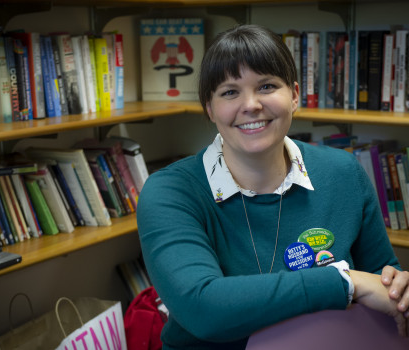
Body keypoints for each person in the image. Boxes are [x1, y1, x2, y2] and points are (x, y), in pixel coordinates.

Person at [136, 24, 409, 349]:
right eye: (229, 92)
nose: (250, 104)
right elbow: (202, 308)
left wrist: (399, 288)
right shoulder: (170, 192)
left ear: (294, 95)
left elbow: (382, 276)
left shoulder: (344, 172)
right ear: (209, 108)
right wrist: (344, 282)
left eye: (266, 86)